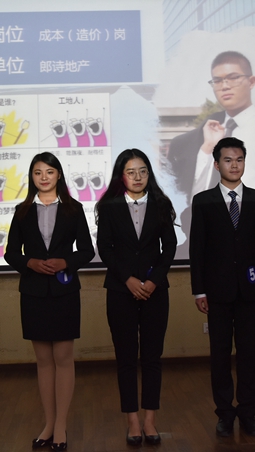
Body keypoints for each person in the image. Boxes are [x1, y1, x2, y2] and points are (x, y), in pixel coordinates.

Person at [4, 152, 95, 451]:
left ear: (59, 175)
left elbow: (87, 250)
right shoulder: (22, 211)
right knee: (43, 361)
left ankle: (60, 427)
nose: (44, 177)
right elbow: (10, 253)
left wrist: (65, 262)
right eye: (38, 172)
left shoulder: (74, 208)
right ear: (32, 177)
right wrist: (29, 263)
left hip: (64, 291)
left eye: (49, 172)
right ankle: (48, 424)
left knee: (63, 358)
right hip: (33, 293)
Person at [189, 137, 255, 438]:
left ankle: (249, 412)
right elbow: (197, 249)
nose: (234, 165)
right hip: (217, 291)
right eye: (228, 160)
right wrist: (199, 290)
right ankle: (225, 413)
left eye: (239, 159)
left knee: (249, 354)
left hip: (251, 290)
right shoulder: (203, 201)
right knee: (220, 354)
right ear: (217, 165)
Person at [95, 149, 177, 446]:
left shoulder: (161, 204)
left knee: (153, 358)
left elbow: (169, 247)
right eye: (131, 172)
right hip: (121, 291)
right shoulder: (109, 207)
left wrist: (153, 281)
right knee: (126, 359)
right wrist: (128, 279)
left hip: (156, 291)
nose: (138, 177)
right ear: (122, 176)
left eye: (143, 171)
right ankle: (132, 420)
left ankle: (150, 420)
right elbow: (105, 248)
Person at [167, 50, 255, 210]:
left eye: (233, 78)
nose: (225, 86)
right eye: (217, 81)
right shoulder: (207, 133)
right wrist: (207, 149)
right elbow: (193, 194)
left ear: (251, 82)